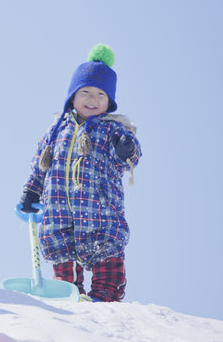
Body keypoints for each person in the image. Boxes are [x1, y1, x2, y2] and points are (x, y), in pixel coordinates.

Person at [19, 44, 141, 302]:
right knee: (64, 269)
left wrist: (125, 149)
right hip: (59, 214)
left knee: (107, 259)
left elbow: (131, 159)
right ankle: (67, 298)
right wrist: (31, 191)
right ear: (72, 97)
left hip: (100, 214)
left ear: (109, 102)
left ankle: (105, 297)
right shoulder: (56, 131)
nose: (92, 99)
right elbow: (39, 166)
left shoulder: (112, 130)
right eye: (85, 92)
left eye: (100, 94)